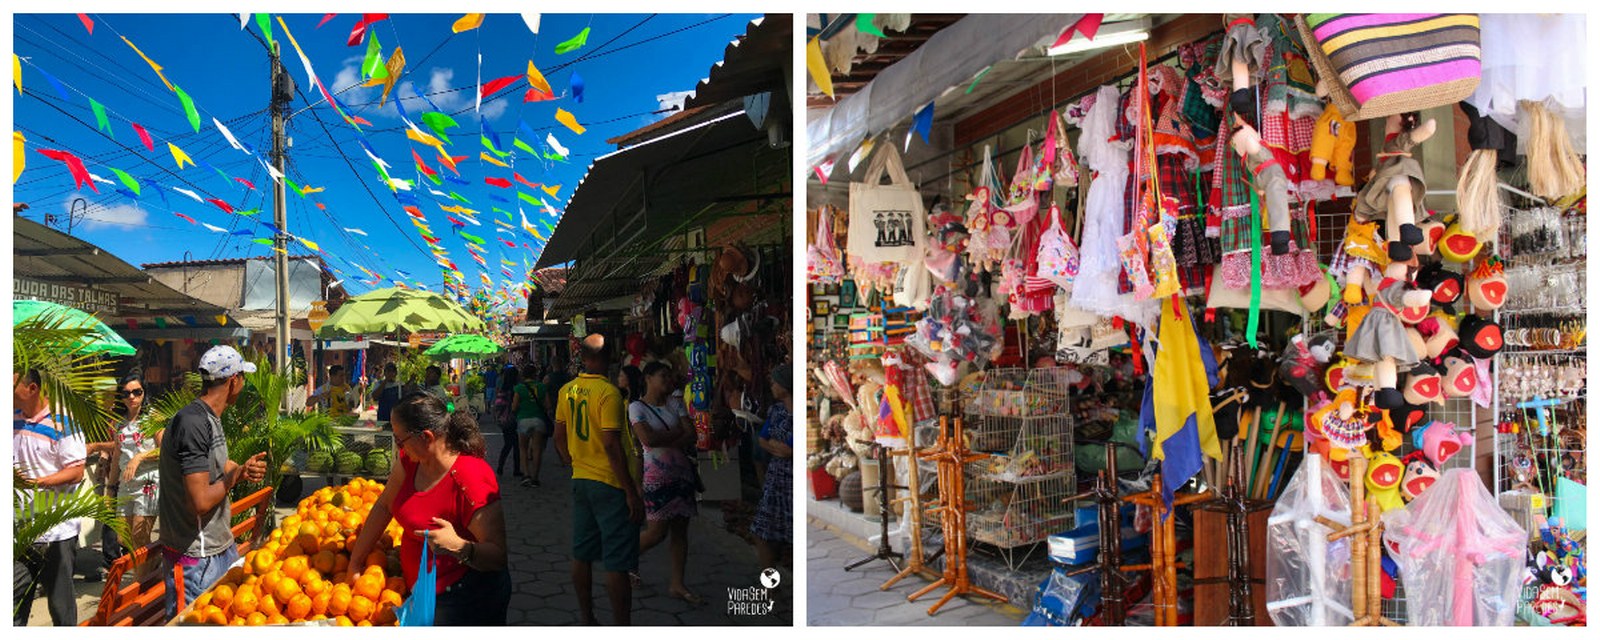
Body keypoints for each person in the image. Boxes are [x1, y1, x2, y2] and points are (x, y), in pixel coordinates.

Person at [349, 393, 511, 626]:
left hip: (465, 600)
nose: (397, 446)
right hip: (423, 594)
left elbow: (498, 556)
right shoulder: (410, 462)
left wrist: (459, 547)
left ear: (426, 437)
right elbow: (384, 506)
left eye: (399, 439)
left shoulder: (471, 477)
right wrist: (356, 562)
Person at [158, 346, 269, 617]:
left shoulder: (209, 418)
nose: (242, 386)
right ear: (233, 381)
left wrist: (241, 469)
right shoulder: (193, 423)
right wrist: (232, 478)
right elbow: (200, 501)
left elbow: (219, 465)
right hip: (196, 558)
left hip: (218, 548)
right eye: (242, 379)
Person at [554, 335, 643, 626]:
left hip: (581, 480)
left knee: (581, 553)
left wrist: (573, 463)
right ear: (608, 357)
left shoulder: (567, 390)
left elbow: (558, 436)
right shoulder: (609, 393)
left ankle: (587, 619)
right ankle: (621, 625)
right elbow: (611, 444)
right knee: (617, 561)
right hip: (610, 483)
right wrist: (630, 490)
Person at [14, 368, 88, 626]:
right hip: (21, 531)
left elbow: (77, 471)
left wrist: (37, 483)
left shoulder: (63, 423)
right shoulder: (11, 419)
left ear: (32, 388)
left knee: (60, 606)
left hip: (56, 531)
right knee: (15, 603)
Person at [627, 362, 700, 604]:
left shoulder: (676, 403)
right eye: (662, 376)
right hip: (656, 477)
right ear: (648, 378)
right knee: (657, 532)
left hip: (682, 475)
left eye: (670, 377)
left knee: (681, 531)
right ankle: (623, 558)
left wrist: (665, 438)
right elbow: (647, 439)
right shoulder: (637, 407)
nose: (668, 381)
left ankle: (678, 583)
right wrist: (676, 435)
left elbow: (692, 434)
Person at [110, 374, 162, 577]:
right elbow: (116, 457)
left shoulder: (153, 417)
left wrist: (139, 457)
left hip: (148, 483)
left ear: (144, 393)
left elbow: (163, 449)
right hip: (126, 484)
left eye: (136, 392)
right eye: (126, 393)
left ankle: (140, 586)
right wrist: (109, 489)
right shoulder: (119, 424)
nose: (131, 397)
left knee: (140, 536)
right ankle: (154, 560)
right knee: (122, 538)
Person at [751, 361, 794, 571]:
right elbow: (762, 439)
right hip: (776, 478)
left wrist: (790, 452)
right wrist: (778, 450)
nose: (772, 387)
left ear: (785, 387)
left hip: (791, 480)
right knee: (762, 532)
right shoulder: (776, 411)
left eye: (775, 383)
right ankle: (770, 587)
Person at [510, 364, 552, 488]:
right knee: (537, 449)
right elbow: (548, 405)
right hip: (538, 420)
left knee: (523, 448)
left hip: (523, 420)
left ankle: (526, 475)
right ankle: (535, 477)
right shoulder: (541, 387)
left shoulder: (519, 388)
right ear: (535, 374)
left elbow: (514, 407)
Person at [493, 365, 523, 479]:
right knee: (514, 445)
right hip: (513, 419)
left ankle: (502, 467)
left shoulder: (503, 389)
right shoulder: (515, 389)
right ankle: (515, 469)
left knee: (508, 444)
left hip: (504, 420)